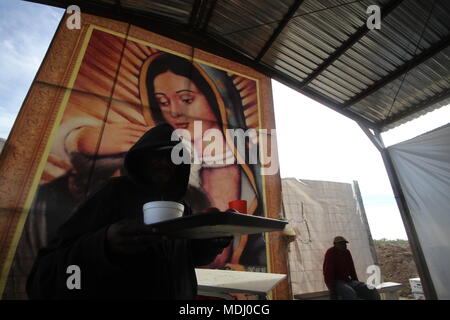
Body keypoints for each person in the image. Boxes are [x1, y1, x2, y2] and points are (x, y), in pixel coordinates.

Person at [26, 123, 232, 299]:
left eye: (172, 157)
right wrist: (105, 244)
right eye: (155, 157)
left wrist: (209, 242)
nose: (164, 164)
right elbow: (45, 273)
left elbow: (182, 260)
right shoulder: (113, 193)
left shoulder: (181, 206)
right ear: (140, 160)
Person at [323, 236, 380, 300]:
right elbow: (328, 272)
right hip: (336, 282)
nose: (344, 245)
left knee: (371, 289)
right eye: (341, 243)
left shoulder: (346, 252)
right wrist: (332, 289)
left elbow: (352, 269)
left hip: (348, 280)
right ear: (335, 244)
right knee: (350, 293)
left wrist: (357, 283)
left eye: (345, 243)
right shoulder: (330, 253)